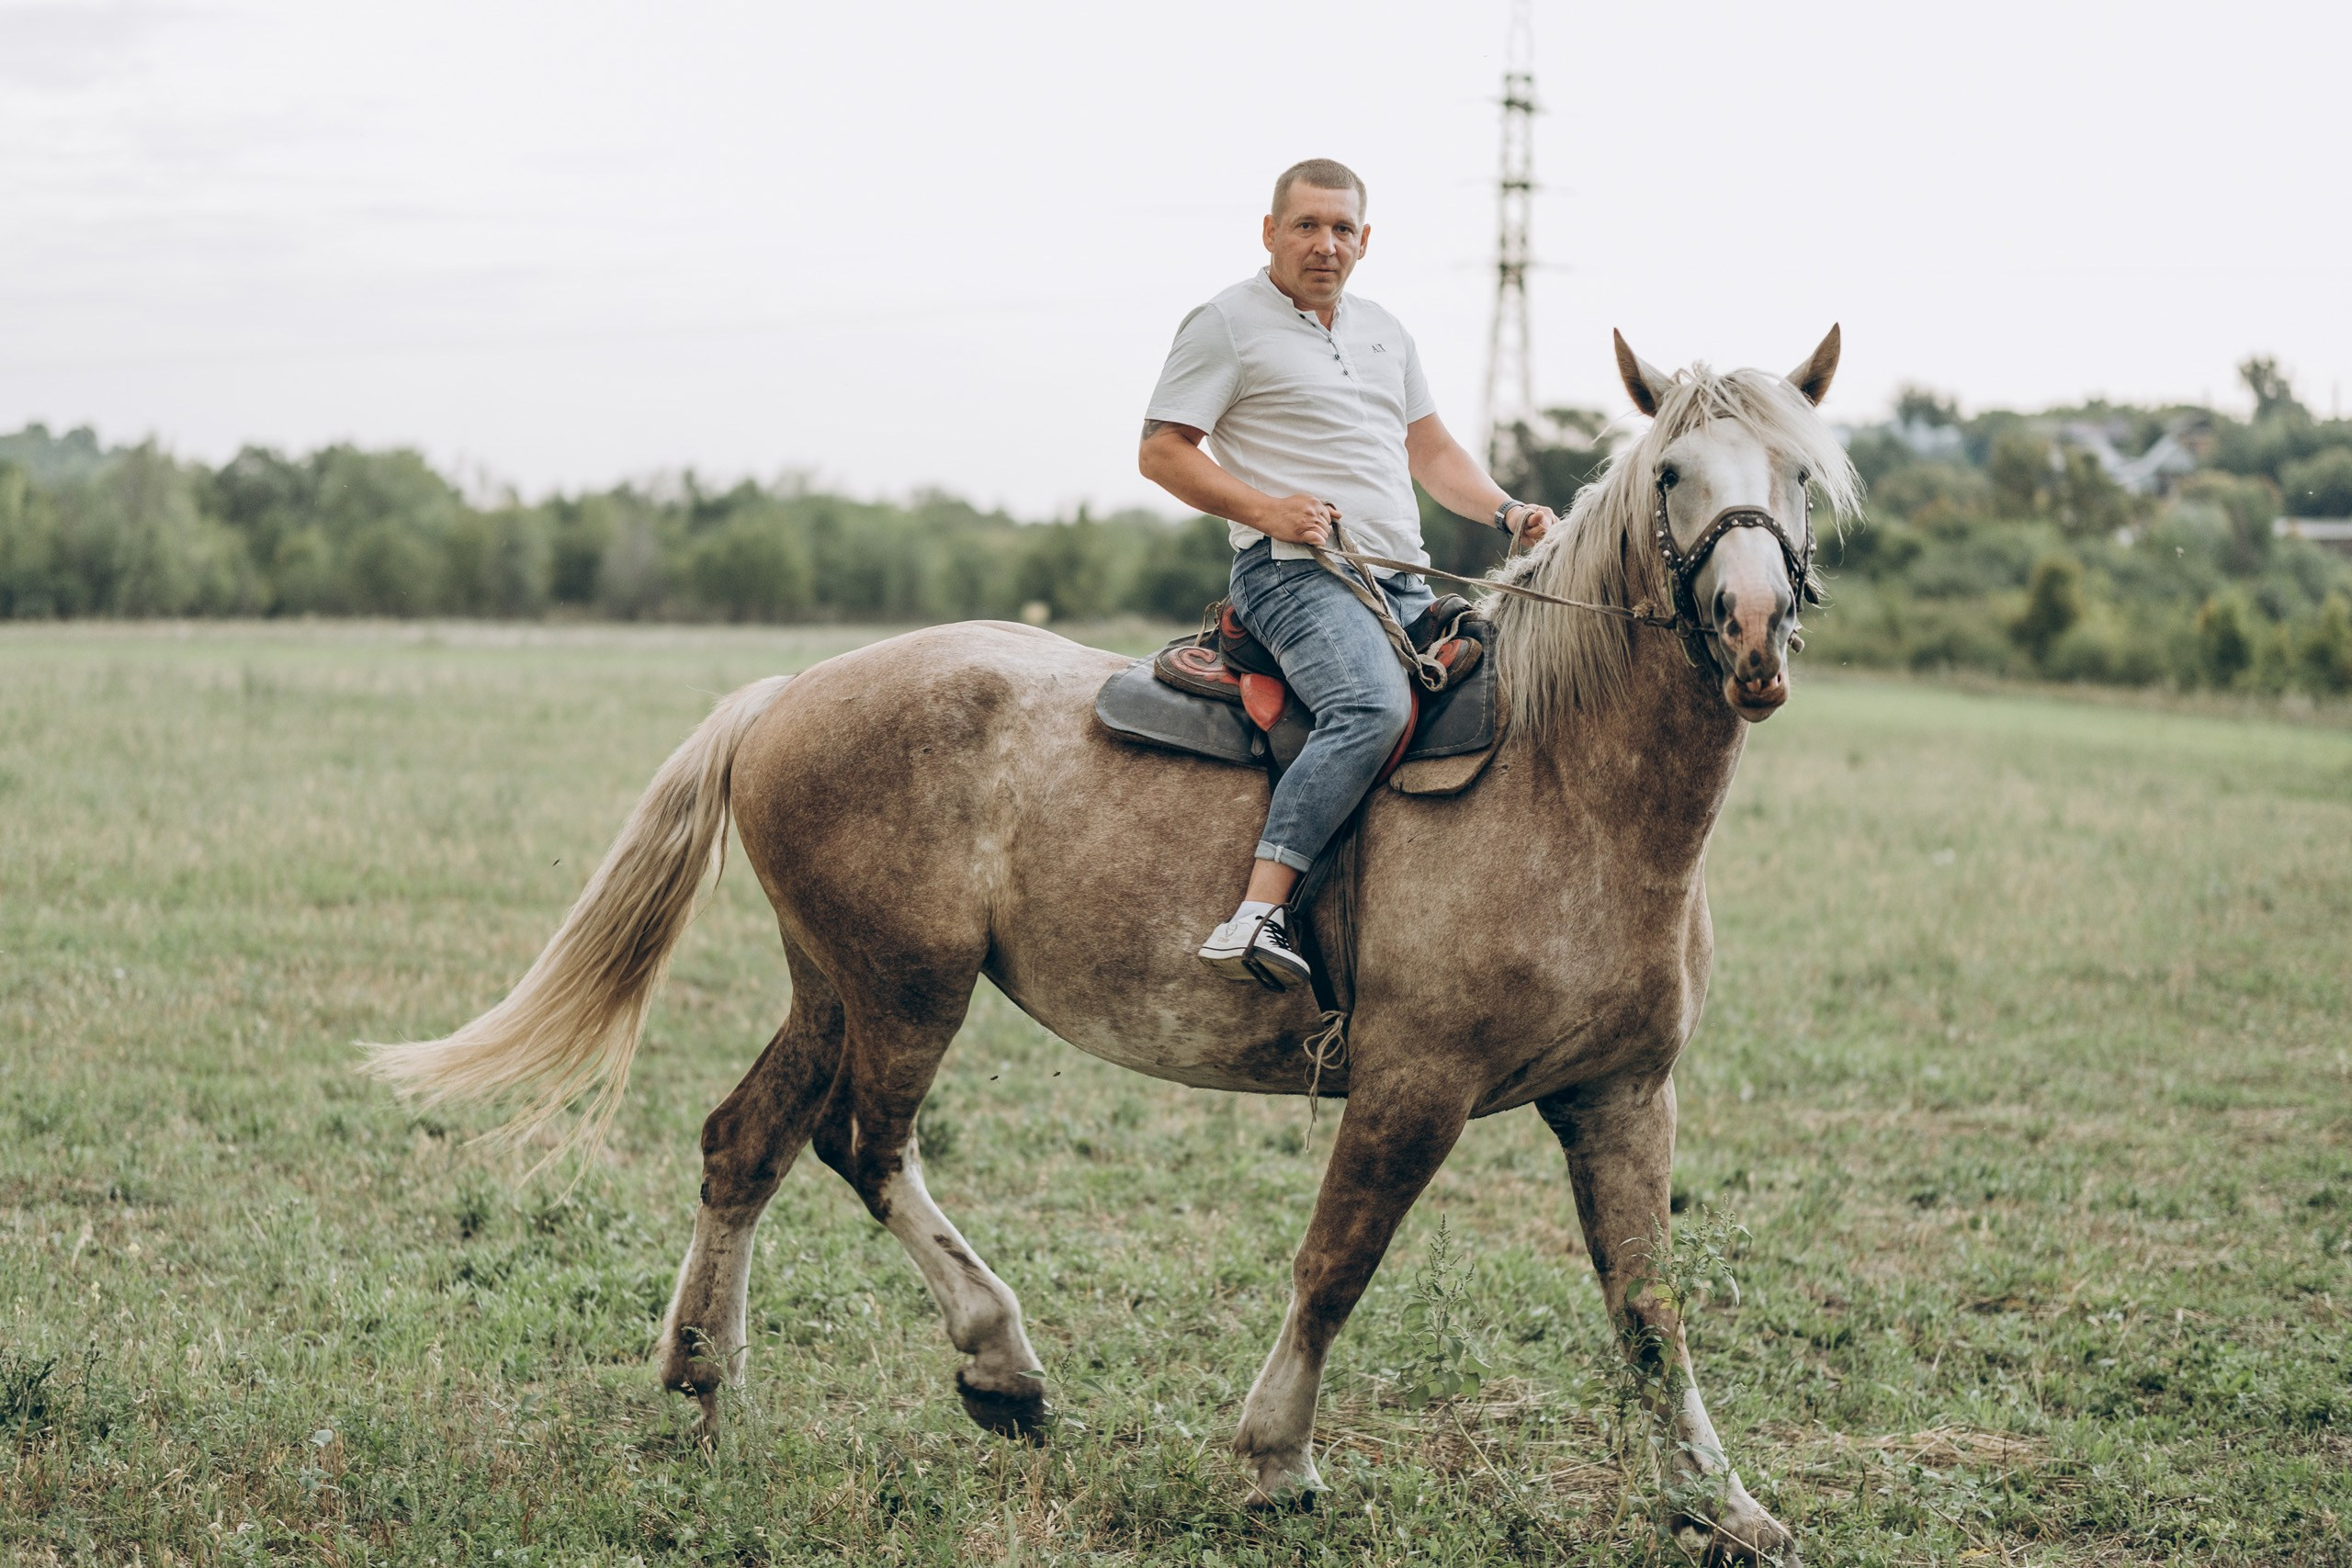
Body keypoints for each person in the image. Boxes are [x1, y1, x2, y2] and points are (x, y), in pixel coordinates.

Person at [1139, 157, 1557, 990]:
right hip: (1292, 574)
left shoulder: (1384, 331)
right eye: (1306, 225)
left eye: (1341, 229)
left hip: (1398, 582)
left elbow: (1430, 452)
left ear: (1365, 241)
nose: (1324, 244)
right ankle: (1256, 913)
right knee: (1371, 706)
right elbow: (1161, 450)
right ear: (1271, 232)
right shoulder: (1226, 322)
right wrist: (1269, 510)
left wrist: (1509, 512)